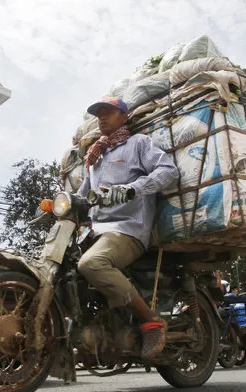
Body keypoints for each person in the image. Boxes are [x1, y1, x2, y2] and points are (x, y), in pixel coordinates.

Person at [77, 97, 179, 361]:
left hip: (128, 228)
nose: (101, 117)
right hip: (96, 231)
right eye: (98, 113)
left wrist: (132, 189)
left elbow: (168, 171)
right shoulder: (95, 157)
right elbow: (81, 197)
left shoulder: (138, 144)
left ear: (124, 116)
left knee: (91, 264)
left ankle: (152, 321)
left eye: (108, 112)